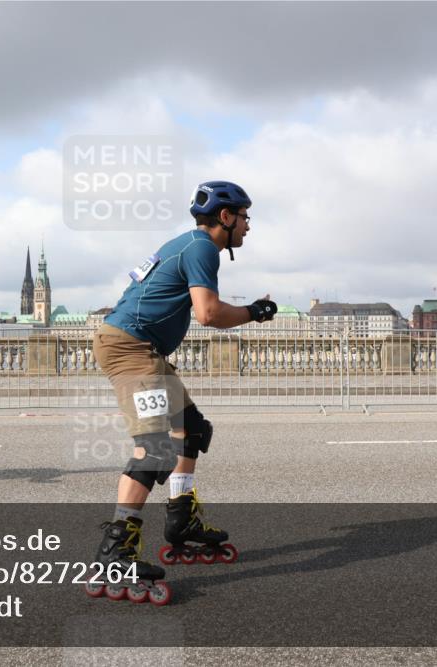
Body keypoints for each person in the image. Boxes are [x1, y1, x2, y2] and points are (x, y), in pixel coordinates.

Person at [86, 181, 276, 604]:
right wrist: (255, 312)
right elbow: (208, 313)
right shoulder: (202, 249)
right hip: (131, 349)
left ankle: (181, 518)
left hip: (140, 347)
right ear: (225, 217)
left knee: (192, 430)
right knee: (154, 449)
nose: (248, 226)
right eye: (245, 217)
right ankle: (116, 551)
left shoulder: (186, 243)